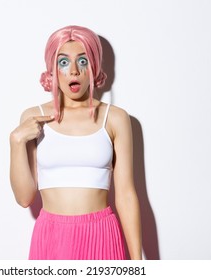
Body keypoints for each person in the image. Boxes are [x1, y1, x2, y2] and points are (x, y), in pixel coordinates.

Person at [9, 25, 142, 260]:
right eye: (63, 62)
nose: (73, 71)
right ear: (52, 68)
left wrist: (137, 265)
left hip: (102, 233)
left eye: (83, 61)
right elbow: (24, 198)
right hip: (52, 236)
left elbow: (126, 195)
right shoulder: (33, 117)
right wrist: (16, 141)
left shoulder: (115, 118)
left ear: (94, 66)